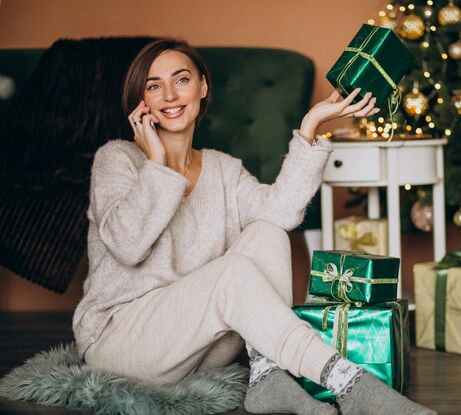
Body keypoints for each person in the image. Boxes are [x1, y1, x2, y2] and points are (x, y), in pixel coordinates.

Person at [72, 38, 436, 415]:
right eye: (153, 85)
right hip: (122, 344)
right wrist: (159, 164)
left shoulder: (223, 169)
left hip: (197, 349)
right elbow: (128, 246)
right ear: (142, 102)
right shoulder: (116, 159)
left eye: (181, 80)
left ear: (202, 86)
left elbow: (281, 212)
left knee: (268, 231)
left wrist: (311, 125)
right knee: (232, 272)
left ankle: (268, 377)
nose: (169, 94)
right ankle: (351, 384)